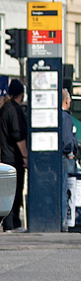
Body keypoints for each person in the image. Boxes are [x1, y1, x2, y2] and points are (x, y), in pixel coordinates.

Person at [1, 80, 28, 231]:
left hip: (5, 157)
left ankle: (8, 223)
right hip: (15, 158)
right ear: (21, 94)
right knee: (15, 193)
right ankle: (13, 223)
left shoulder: (4, 108)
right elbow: (18, 135)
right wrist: (25, 156)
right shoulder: (15, 110)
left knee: (6, 193)